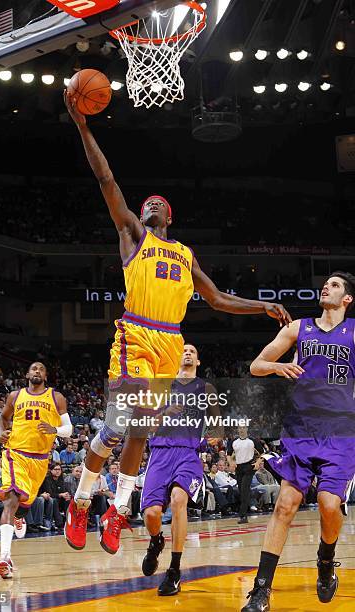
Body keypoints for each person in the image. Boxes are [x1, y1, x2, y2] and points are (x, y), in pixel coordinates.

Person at [63, 93, 292, 554]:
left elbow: (219, 298)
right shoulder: (132, 234)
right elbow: (105, 178)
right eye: (145, 202)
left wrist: (260, 306)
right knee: (116, 426)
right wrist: (83, 126)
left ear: (170, 215)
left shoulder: (185, 255)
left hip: (171, 342)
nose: (149, 205)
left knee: (141, 429)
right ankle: (81, 501)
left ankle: (117, 510)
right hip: (137, 333)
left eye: (157, 203)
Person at [242, 272, 355, 611]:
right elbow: (257, 365)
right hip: (301, 429)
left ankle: (325, 557)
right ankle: (261, 590)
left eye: (335, 285)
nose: (327, 287)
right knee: (284, 505)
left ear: (347, 298)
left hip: (341, 432)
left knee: (328, 505)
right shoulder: (298, 328)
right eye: (326, 284)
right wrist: (278, 369)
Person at [141, 344, 222, 595]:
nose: (187, 353)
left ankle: (174, 571)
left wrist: (215, 436)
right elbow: (145, 424)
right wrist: (165, 412)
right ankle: (156, 541)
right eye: (184, 350)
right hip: (160, 453)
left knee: (178, 500)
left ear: (198, 361)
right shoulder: (161, 386)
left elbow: (218, 425)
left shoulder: (206, 388)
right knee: (152, 514)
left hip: (188, 453)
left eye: (192, 351)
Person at [0, 362, 71, 579]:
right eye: (33, 368)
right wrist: (1, 432)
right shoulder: (15, 396)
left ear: (46, 375)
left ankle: (19, 517)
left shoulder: (56, 398)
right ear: (27, 374)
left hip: (40, 460)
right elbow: (2, 418)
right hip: (15, 453)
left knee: (24, 504)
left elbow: (69, 429)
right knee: (11, 499)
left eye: (41, 369)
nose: (37, 371)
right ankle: (4, 557)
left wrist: (54, 430)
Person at [230, 426, 255, 524]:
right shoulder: (234, 442)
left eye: (243, 427)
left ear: (247, 429)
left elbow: (262, 453)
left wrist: (257, 463)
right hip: (238, 468)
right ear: (238, 429)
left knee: (244, 490)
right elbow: (228, 454)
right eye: (240, 428)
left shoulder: (252, 441)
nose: (242, 429)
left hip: (249, 466)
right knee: (242, 491)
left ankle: (243, 515)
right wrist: (231, 462)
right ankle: (245, 512)